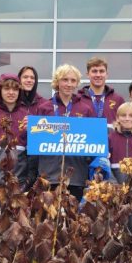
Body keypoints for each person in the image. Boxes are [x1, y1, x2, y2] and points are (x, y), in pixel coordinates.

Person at [37, 64, 94, 201]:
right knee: (48, 219)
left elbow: (91, 141)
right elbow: (36, 142)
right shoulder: (45, 108)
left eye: (73, 80)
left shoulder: (86, 109)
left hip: (76, 176)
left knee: (72, 219)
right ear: (57, 81)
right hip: (49, 175)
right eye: (65, 79)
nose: (69, 84)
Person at [78, 57, 125, 129]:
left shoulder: (118, 99)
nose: (98, 75)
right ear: (87, 74)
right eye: (94, 71)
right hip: (87, 139)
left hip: (110, 140)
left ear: (106, 74)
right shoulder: (78, 99)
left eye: (101, 71)